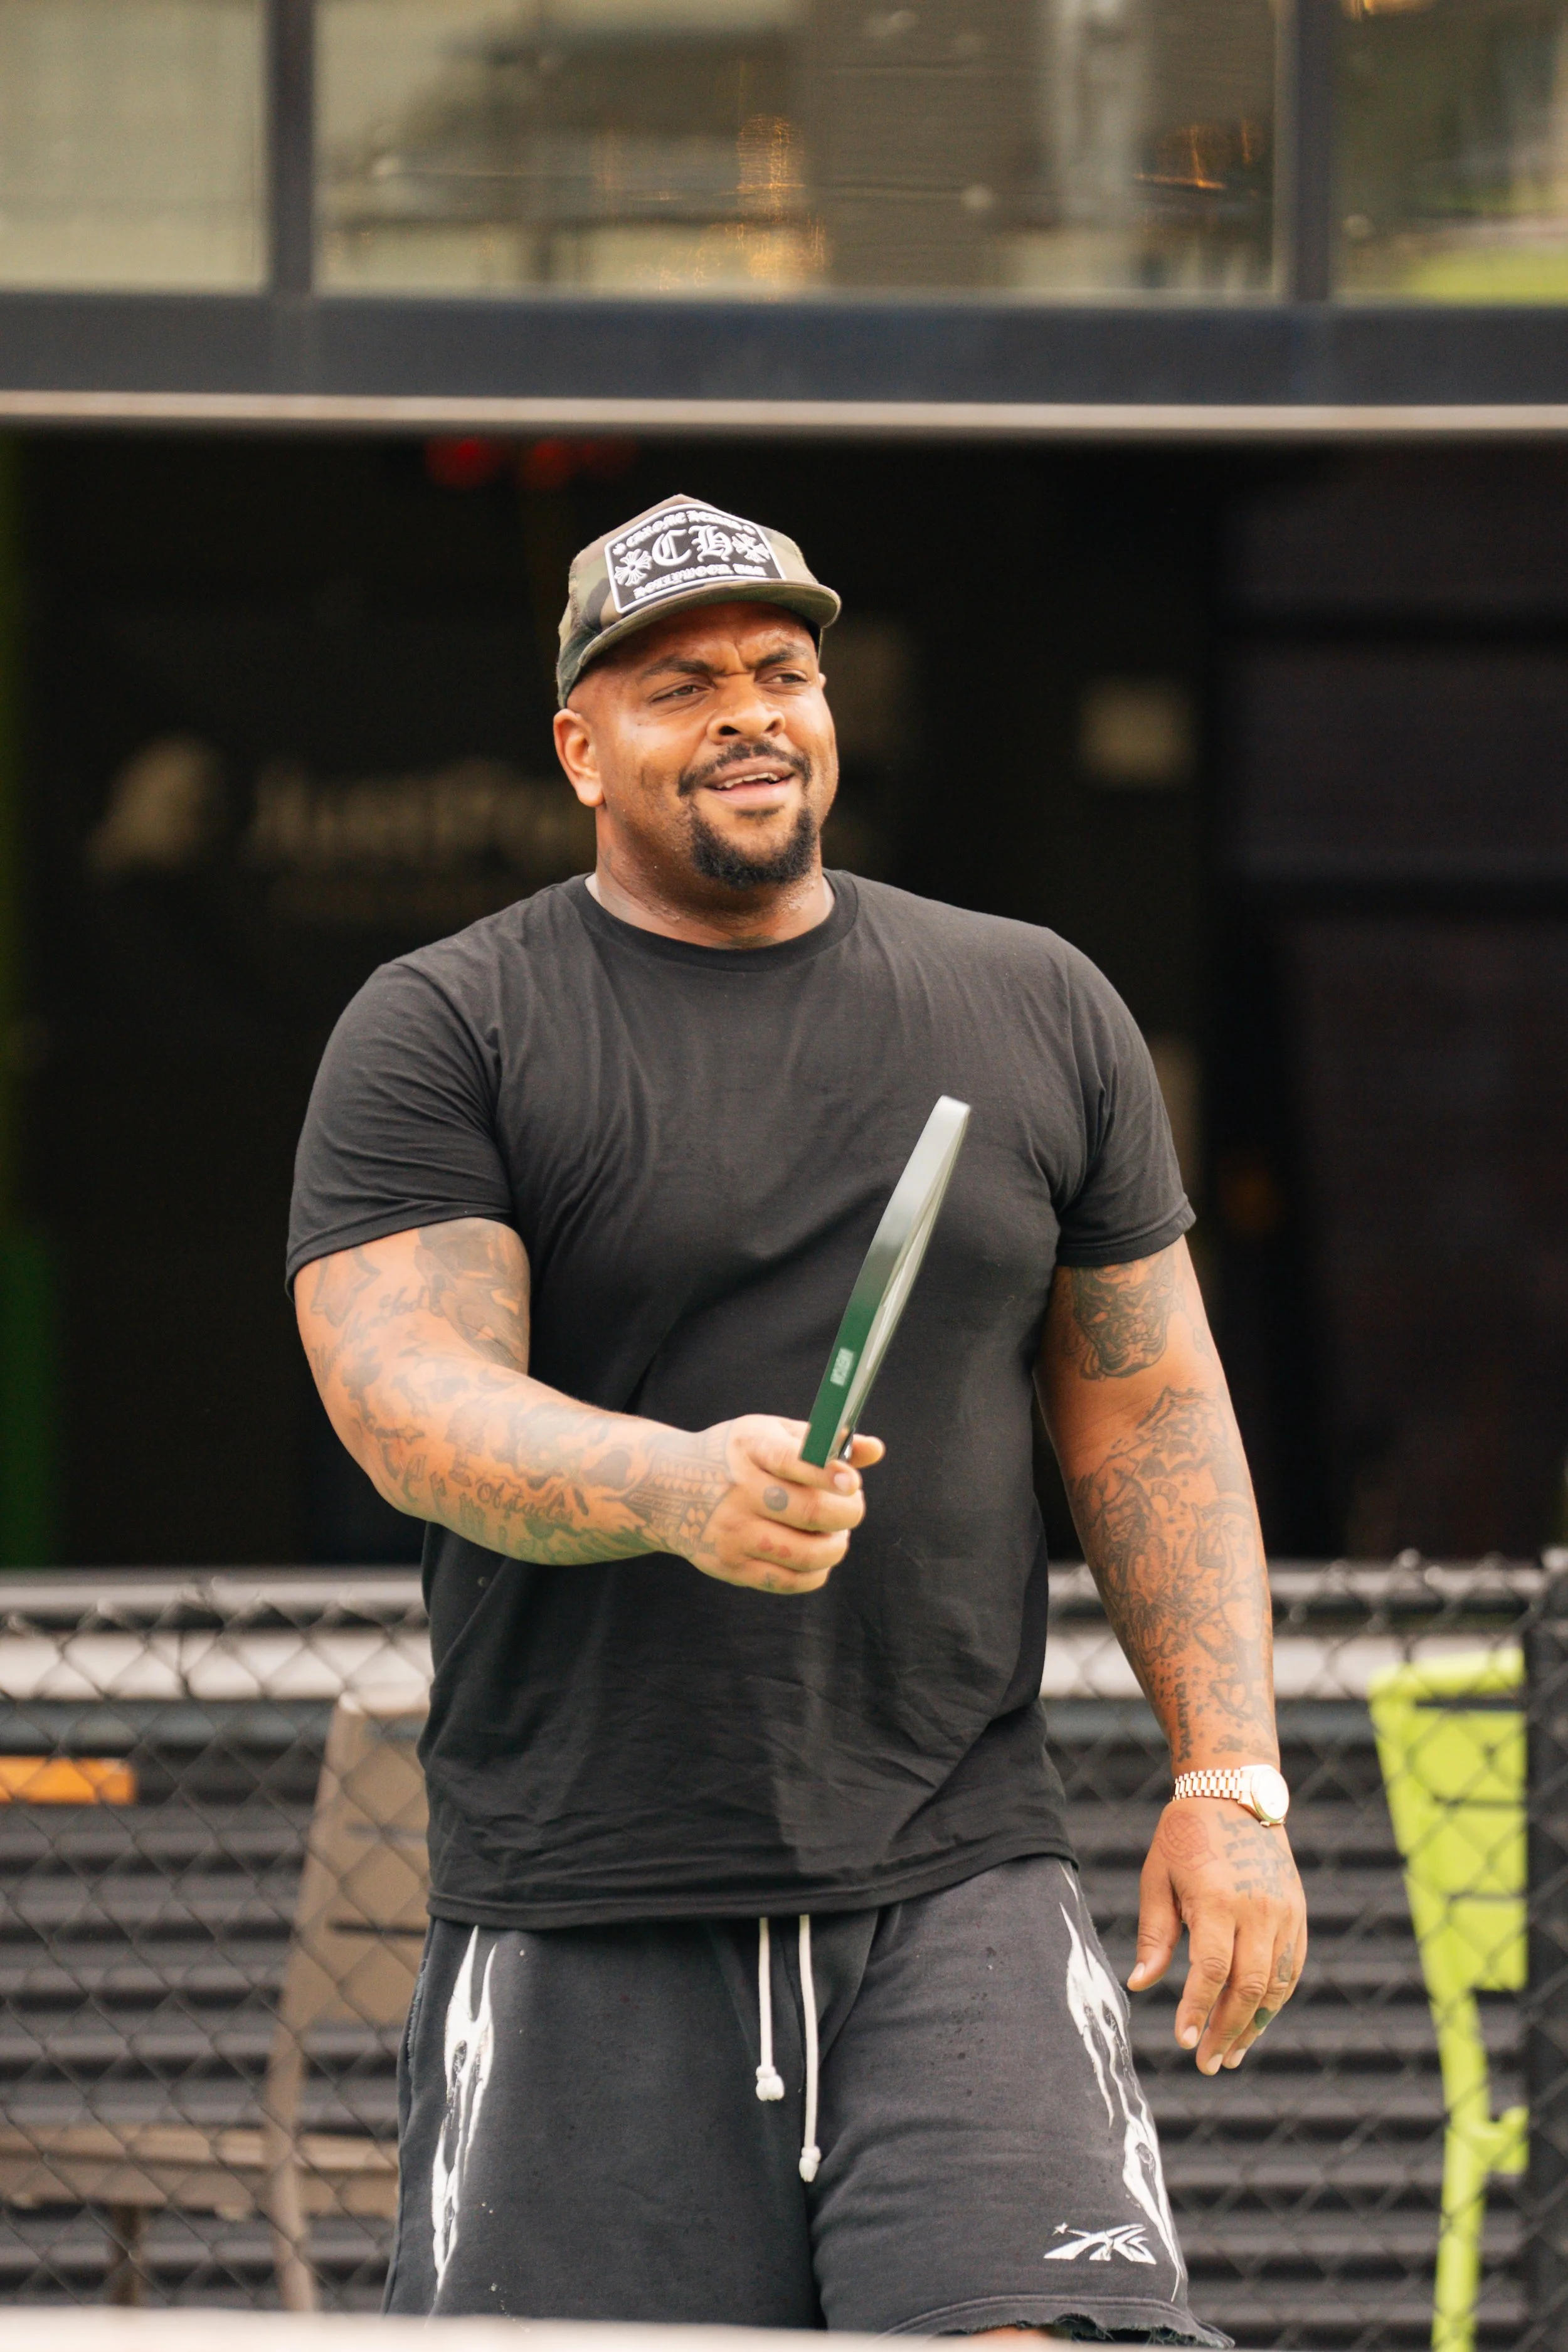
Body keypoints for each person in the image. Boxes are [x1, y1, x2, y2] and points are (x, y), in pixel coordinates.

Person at [289, 492, 1306, 2343]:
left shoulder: (1033, 1005)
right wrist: (666, 1484)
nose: (752, 710)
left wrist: (1227, 1775)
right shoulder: (449, 1026)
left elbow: (1152, 1406)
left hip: (955, 1869)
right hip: (593, 1892)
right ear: (581, 750)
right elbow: (404, 1394)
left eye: (784, 671)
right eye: (683, 684)